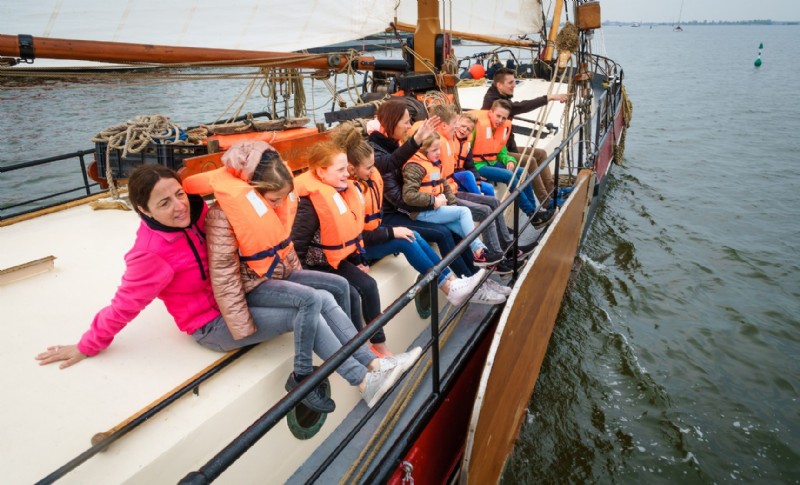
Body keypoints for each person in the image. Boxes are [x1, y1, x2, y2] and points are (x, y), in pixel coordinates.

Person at [36, 163, 417, 412]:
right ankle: (364, 381)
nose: (179, 206)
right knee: (311, 309)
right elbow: (124, 304)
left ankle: (374, 362)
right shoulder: (150, 254)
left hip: (241, 293)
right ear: (144, 211)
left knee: (330, 290)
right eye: (164, 203)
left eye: (180, 194)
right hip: (212, 323)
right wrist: (87, 345)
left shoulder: (200, 214)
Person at [332, 124, 510, 306]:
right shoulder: (348, 192)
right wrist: (392, 232)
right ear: (352, 169)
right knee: (407, 239)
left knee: (414, 234)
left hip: (374, 233)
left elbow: (391, 163)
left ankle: (453, 282)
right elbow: (355, 235)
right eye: (369, 167)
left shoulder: (369, 177)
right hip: (361, 248)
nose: (373, 170)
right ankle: (450, 287)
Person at [291, 140, 397, 357]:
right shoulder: (309, 203)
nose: (346, 174)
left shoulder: (342, 192)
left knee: (368, 285)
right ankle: (361, 349)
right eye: (340, 170)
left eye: (346, 168)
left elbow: (352, 231)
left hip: (336, 260)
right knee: (349, 293)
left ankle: (380, 346)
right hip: (315, 265)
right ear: (321, 172)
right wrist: (304, 283)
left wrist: (358, 259)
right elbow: (298, 246)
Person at [368, 99, 477, 278]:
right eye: (406, 122)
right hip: (390, 215)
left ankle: (474, 274)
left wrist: (441, 202)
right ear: (392, 122)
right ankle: (465, 278)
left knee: (452, 224)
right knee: (442, 232)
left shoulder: (393, 145)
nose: (409, 125)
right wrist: (432, 202)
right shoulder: (376, 152)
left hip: (408, 207)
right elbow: (396, 193)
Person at [428, 104, 538, 271]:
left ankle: (509, 249)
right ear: (444, 126)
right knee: (485, 210)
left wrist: (476, 183)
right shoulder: (435, 146)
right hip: (444, 195)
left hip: (452, 189)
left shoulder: (453, 141)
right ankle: (496, 260)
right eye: (456, 125)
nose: (460, 129)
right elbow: (436, 177)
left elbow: (464, 167)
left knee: (493, 201)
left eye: (465, 127)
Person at [400, 135, 505, 306]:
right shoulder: (414, 166)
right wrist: (434, 201)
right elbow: (408, 196)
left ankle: (479, 275)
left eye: (438, 149)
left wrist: (451, 205)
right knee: (464, 212)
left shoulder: (434, 164)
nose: (438, 153)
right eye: (434, 150)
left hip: (436, 208)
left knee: (459, 226)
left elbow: (445, 187)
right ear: (422, 150)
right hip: (423, 212)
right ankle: (480, 250)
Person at [481, 67, 573, 205]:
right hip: (496, 153)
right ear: (499, 85)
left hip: (506, 147)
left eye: (514, 82)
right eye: (510, 83)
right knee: (530, 161)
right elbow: (520, 106)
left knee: (540, 154)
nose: (514, 85)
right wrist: (550, 97)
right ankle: (547, 202)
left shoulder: (500, 95)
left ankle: (553, 191)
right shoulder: (494, 102)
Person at [470, 99, 555, 228]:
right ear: (490, 112)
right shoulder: (477, 127)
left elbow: (502, 152)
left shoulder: (501, 129)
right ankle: (531, 213)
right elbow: (464, 153)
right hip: (477, 166)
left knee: (522, 172)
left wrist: (510, 160)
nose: (500, 120)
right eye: (498, 116)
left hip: (492, 162)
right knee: (508, 176)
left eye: (503, 118)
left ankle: (535, 213)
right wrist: (474, 173)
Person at [453, 112, 495, 197]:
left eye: (468, 129)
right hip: (450, 176)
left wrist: (477, 182)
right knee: (467, 174)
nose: (464, 130)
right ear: (457, 123)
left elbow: (471, 166)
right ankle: (480, 198)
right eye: (463, 126)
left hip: (460, 175)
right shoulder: (449, 138)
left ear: (471, 132)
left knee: (489, 188)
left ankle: (495, 209)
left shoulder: (467, 146)